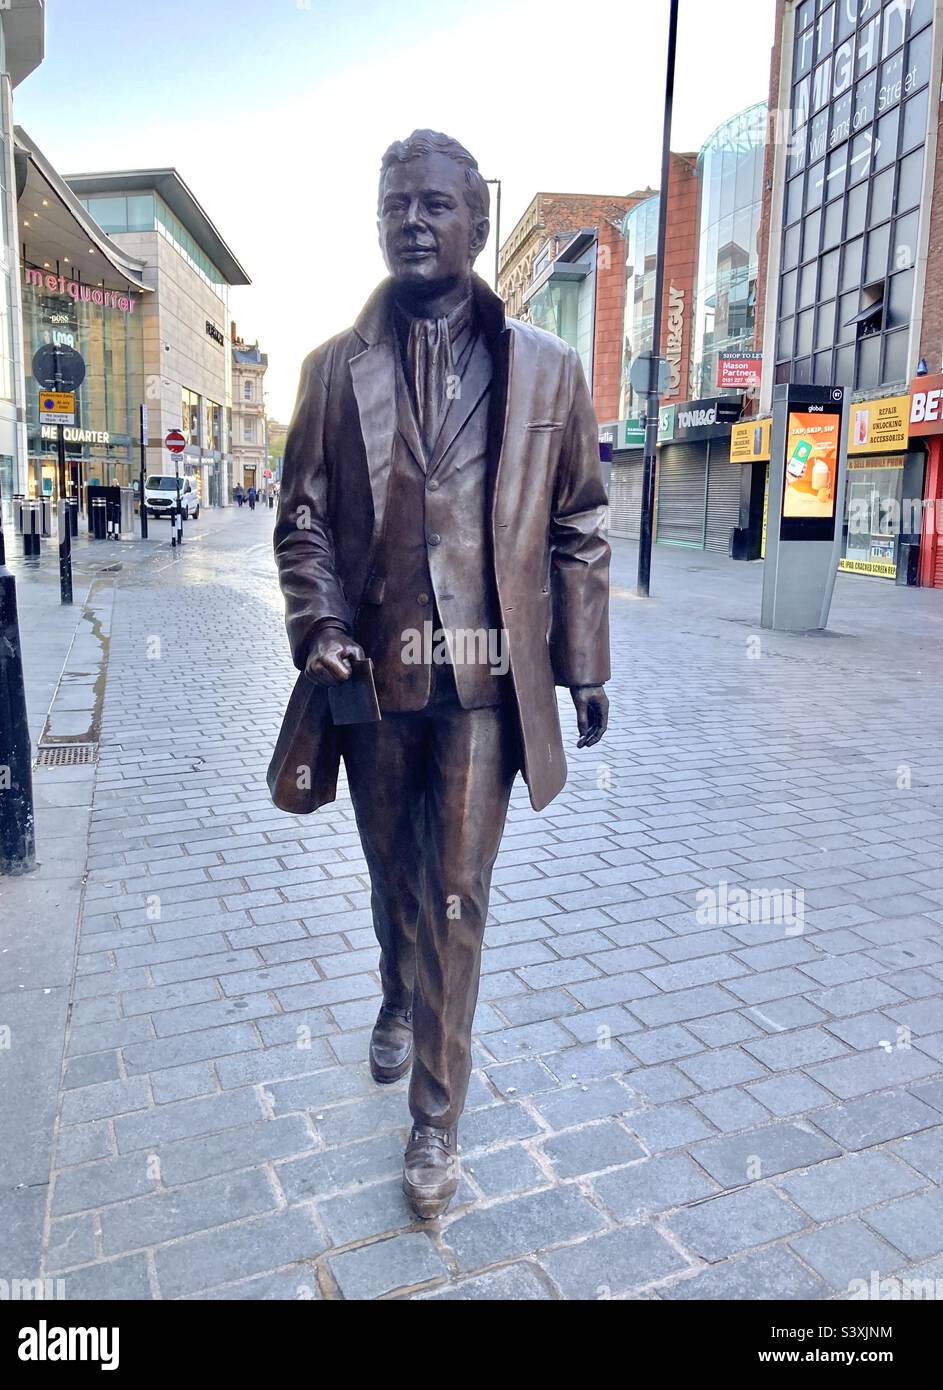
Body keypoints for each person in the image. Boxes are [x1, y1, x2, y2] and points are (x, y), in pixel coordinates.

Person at [269, 129, 610, 1219]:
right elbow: (304, 516)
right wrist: (317, 620)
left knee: (458, 896)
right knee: (393, 879)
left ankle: (435, 1119)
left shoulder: (547, 369)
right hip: (371, 679)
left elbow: (581, 521)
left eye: (433, 205)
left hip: (484, 683)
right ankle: (392, 989)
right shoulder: (333, 368)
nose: (410, 222)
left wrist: (584, 663)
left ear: (475, 219)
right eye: (393, 206)